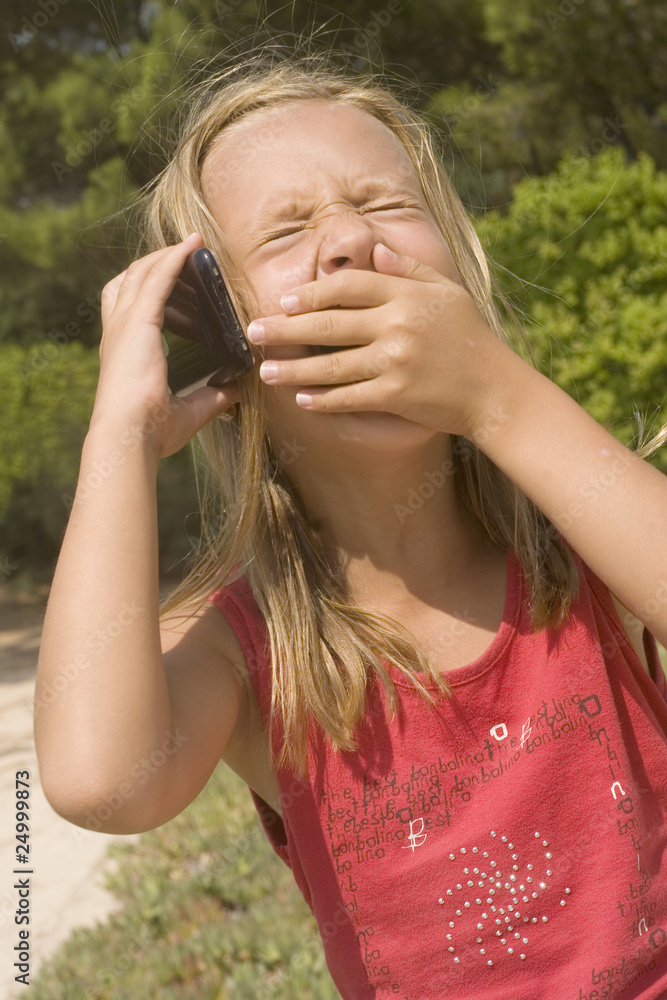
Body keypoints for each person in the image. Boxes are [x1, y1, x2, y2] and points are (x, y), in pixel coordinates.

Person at [35, 51, 667, 999]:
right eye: (286, 229)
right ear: (222, 340)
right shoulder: (240, 652)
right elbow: (102, 780)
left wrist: (498, 399)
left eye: (386, 205)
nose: (348, 242)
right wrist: (119, 438)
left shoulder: (589, 546)